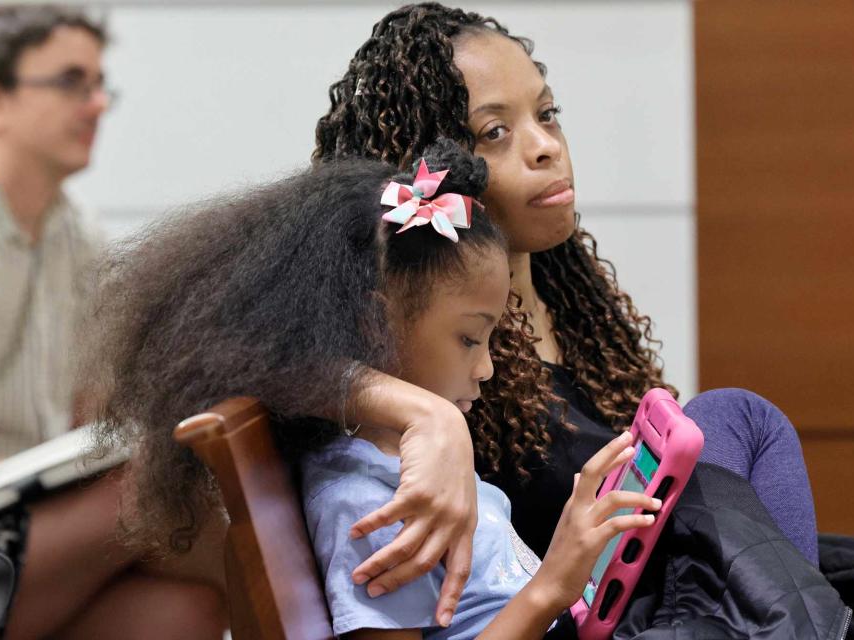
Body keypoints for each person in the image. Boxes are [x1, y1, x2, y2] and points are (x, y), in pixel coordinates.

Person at [309, 2, 820, 610]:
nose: (546, 146)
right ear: (432, 170)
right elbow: (257, 356)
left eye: (547, 114)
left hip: (656, 587)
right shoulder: (417, 342)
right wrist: (427, 414)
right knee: (736, 417)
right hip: (594, 614)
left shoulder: (569, 300)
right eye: (495, 133)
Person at [82, 137, 667, 639]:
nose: (488, 368)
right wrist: (553, 587)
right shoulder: (366, 506)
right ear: (375, 324)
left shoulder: (398, 471)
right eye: (470, 339)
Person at [0, 6, 225, 638]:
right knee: (153, 494)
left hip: (34, 515)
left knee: (186, 615)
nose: (94, 106)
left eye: (97, 85)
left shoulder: (79, 235)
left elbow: (96, 410)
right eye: (69, 82)